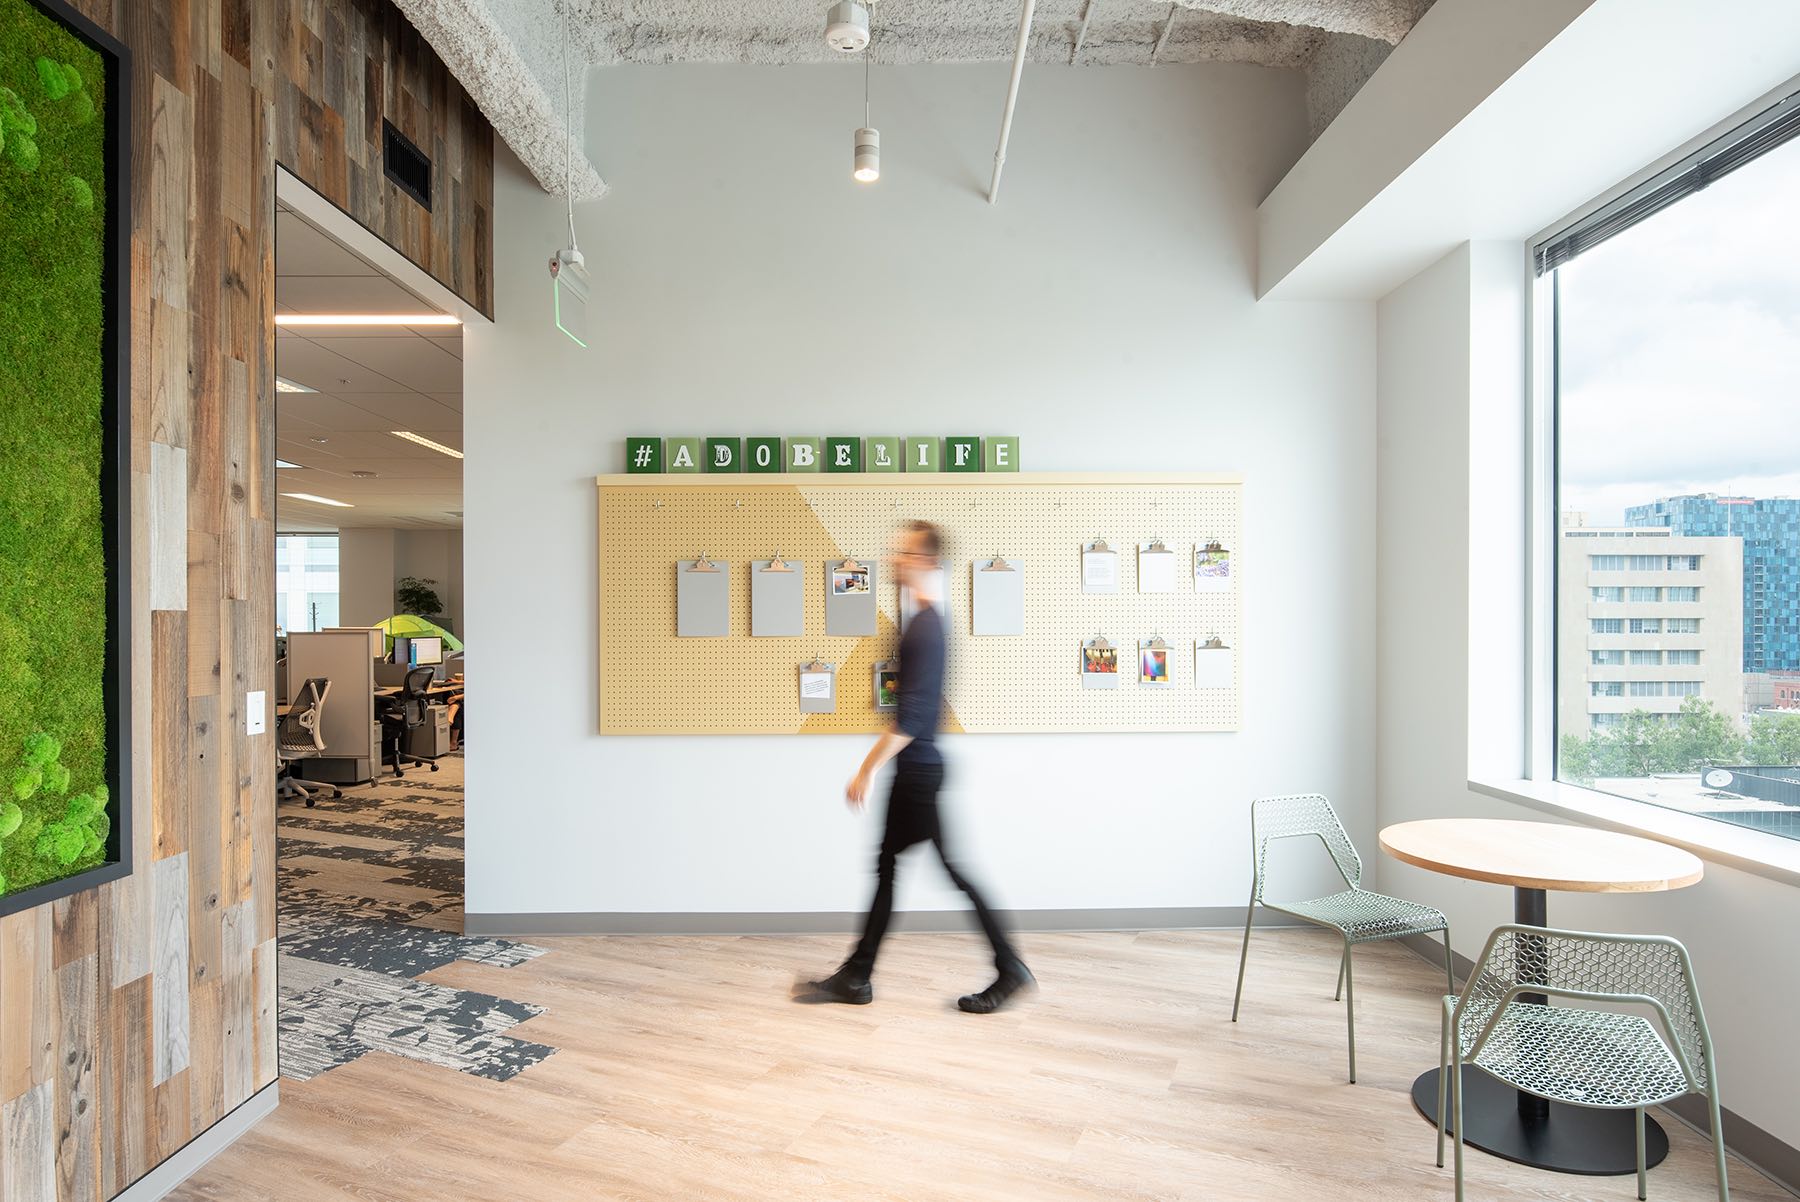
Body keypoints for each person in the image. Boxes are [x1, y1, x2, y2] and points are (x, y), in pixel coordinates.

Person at [802, 520, 1035, 1014]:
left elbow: (910, 721)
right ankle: (858, 975)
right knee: (895, 867)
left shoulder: (926, 628)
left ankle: (1008, 967)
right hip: (917, 770)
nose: (894, 560)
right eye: (895, 552)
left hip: (919, 772)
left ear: (927, 562)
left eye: (904, 553)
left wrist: (864, 770)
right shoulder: (920, 622)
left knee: (939, 870)